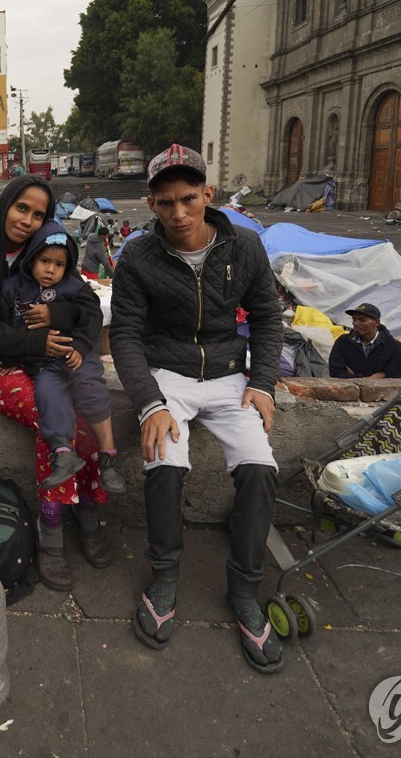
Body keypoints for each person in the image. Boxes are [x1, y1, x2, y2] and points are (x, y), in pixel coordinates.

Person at [109, 144, 286, 674]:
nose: (179, 214)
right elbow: (125, 336)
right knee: (163, 461)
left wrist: (265, 383)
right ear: (151, 205)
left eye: (189, 199)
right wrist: (148, 402)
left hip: (230, 375)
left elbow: (267, 319)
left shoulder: (246, 246)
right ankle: (164, 579)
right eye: (166, 204)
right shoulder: (137, 257)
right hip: (169, 373)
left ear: (208, 195)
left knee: (259, 469)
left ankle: (245, 590)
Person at [0, 174, 118, 593]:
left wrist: (59, 322)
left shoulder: (45, 252)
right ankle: (53, 530)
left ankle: (88, 511)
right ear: (4, 204)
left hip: (47, 359)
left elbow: (89, 310)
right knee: (53, 421)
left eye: (37, 214)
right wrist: (34, 339)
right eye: (21, 207)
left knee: (83, 411)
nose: (27, 220)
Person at [1, 220, 126, 496]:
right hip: (42, 363)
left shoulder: (72, 286)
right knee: (48, 395)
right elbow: (3, 324)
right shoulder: (14, 287)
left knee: (89, 387)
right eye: (44, 261)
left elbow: (93, 315)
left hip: (75, 356)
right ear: (31, 257)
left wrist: (81, 346)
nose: (51, 270)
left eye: (59, 264)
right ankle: (63, 452)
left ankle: (107, 454)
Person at [327, 302, 401, 379]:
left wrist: (351, 377)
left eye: (362, 320)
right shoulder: (343, 342)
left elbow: (394, 380)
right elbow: (335, 374)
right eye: (354, 319)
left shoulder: (395, 348)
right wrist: (365, 379)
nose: (355, 323)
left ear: (376, 323)